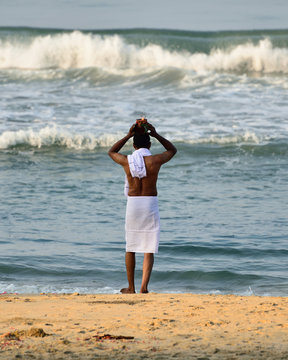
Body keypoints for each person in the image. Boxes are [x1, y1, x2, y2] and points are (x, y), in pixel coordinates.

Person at [108, 122, 177, 293]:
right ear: (149, 144)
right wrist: (156, 134)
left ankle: (131, 287)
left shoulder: (128, 161)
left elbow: (111, 152)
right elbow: (172, 150)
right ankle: (143, 287)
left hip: (133, 205)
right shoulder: (154, 160)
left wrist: (128, 135)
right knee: (148, 247)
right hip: (149, 204)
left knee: (130, 246)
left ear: (133, 146)